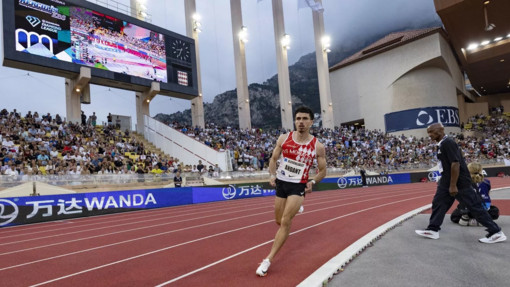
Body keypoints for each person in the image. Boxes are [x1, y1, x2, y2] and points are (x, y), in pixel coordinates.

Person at [256, 106, 327, 277]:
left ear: (311, 122)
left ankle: (267, 260)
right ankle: (296, 208)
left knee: (286, 221)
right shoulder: (284, 138)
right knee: (279, 221)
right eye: (298, 119)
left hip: (298, 185)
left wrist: (313, 181)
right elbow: (273, 159)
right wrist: (272, 175)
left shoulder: (317, 146)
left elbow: (323, 171)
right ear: (295, 121)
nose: (301, 122)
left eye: (304, 119)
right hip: (281, 182)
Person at [415, 123, 505, 243]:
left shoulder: (448, 143)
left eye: (431, 132)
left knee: (474, 207)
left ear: (440, 131)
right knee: (438, 203)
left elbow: (455, 163)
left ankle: (496, 232)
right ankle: (433, 229)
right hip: (446, 182)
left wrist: (453, 185)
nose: (429, 135)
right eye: (429, 133)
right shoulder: (441, 144)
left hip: (460, 182)